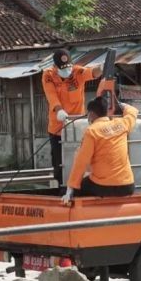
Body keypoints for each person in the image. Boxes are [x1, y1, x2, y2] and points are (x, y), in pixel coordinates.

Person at [62, 94, 138, 203]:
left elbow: (81, 161)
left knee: (78, 189)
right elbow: (133, 111)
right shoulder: (122, 124)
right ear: (106, 112)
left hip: (104, 187)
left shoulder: (92, 131)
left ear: (91, 114)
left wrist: (71, 187)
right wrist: (121, 104)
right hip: (127, 186)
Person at [42, 48, 102, 186]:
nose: (66, 71)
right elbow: (51, 95)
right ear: (55, 66)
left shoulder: (77, 72)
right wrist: (58, 110)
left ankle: (79, 186)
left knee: (80, 159)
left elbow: (92, 73)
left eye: (68, 67)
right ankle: (62, 187)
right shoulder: (48, 75)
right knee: (58, 163)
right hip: (57, 127)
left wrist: (102, 67)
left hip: (76, 127)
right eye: (62, 68)